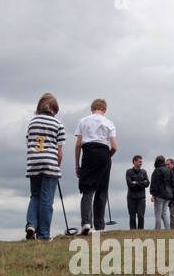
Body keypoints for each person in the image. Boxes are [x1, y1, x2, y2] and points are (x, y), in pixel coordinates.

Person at [25, 93, 65, 241]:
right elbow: (59, 152)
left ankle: (31, 225)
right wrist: (57, 166)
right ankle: (44, 235)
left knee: (35, 196)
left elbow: (29, 142)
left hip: (33, 163)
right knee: (47, 201)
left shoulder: (32, 122)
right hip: (50, 164)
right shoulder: (58, 124)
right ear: (55, 109)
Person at [74, 98, 117, 235]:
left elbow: (78, 145)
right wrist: (107, 157)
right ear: (104, 110)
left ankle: (86, 223)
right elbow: (115, 147)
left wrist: (77, 165)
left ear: (92, 108)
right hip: (104, 153)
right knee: (102, 191)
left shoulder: (83, 121)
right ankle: (100, 226)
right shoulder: (109, 122)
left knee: (87, 190)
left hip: (88, 152)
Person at [125, 155, 149, 229]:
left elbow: (147, 183)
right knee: (132, 216)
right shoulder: (128, 172)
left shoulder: (144, 172)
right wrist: (142, 183)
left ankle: (141, 230)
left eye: (141, 162)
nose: (141, 163)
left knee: (141, 215)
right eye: (139, 162)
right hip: (131, 198)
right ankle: (133, 231)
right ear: (134, 162)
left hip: (141, 198)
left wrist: (137, 183)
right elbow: (130, 185)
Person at [150, 155, 171, 229]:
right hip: (168, 195)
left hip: (159, 195)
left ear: (156, 161)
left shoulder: (157, 170)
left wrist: (153, 194)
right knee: (164, 214)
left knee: (158, 214)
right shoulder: (168, 170)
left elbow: (154, 183)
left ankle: (157, 230)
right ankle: (168, 229)